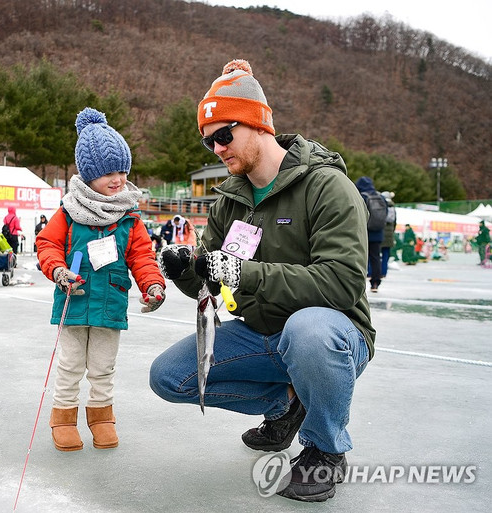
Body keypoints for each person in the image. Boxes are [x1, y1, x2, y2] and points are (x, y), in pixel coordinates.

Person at [150, 60, 374, 502]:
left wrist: (240, 272)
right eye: (208, 139)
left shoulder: (327, 187)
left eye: (224, 134)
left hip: (331, 336)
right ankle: (287, 406)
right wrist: (183, 271)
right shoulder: (229, 201)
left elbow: (342, 282)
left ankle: (324, 450)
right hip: (261, 334)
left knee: (308, 331)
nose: (216, 148)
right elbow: (207, 286)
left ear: (257, 124)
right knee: (169, 377)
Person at [37, 107, 166, 452]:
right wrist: (59, 271)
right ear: (89, 174)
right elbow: (47, 244)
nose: (118, 179)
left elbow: (141, 256)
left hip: (110, 303)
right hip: (74, 301)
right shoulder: (68, 212)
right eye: (108, 172)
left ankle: (101, 416)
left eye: (122, 170)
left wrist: (152, 284)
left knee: (103, 367)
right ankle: (63, 417)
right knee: (70, 365)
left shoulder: (129, 218)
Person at [355, 177, 385, 292]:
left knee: (361, 258)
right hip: (378, 233)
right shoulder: (380, 197)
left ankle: (360, 283)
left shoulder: (362, 197)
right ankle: (375, 283)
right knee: (376, 258)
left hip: (364, 232)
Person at [381, 191, 396, 277]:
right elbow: (395, 222)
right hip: (389, 234)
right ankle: (384, 272)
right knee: (386, 254)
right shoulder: (392, 206)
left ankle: (372, 272)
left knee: (374, 255)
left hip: (380, 232)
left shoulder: (380, 204)